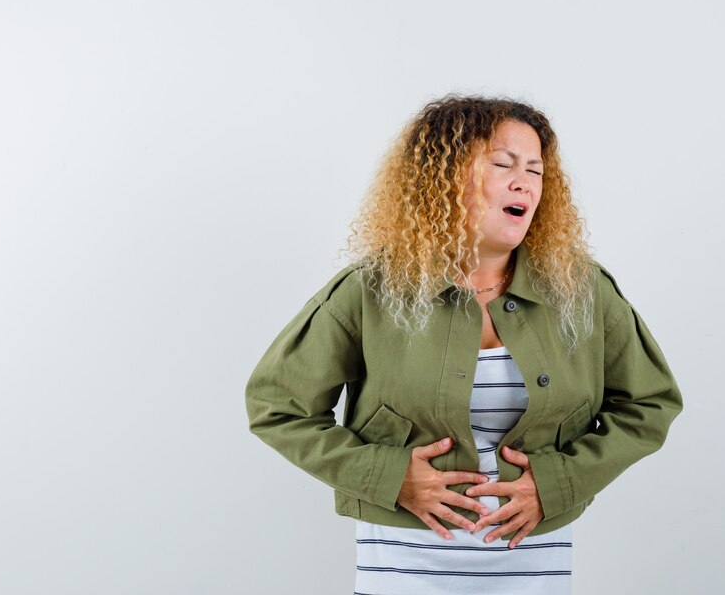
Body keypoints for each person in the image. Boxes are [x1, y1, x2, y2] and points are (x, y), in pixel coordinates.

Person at [245, 94, 683, 594]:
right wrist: (387, 476)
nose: (525, 182)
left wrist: (559, 482)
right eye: (503, 164)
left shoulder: (584, 293)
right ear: (443, 178)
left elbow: (650, 403)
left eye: (536, 171)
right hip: (403, 574)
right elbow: (276, 406)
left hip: (534, 573)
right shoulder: (370, 290)